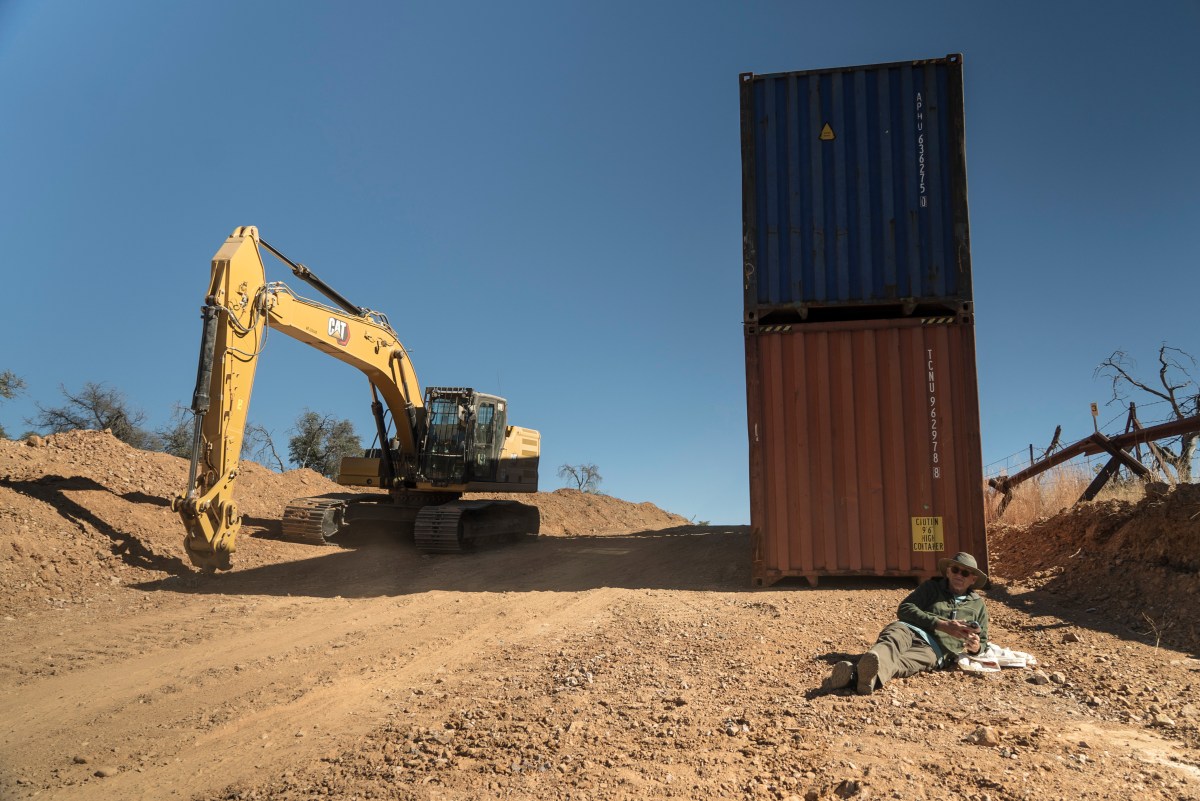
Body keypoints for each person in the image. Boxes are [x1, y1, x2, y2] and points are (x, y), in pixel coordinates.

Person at [824, 552, 989, 695]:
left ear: (973, 579)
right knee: (889, 644)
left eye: (965, 573)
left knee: (902, 664)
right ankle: (865, 675)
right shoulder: (931, 588)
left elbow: (982, 642)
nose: (959, 575)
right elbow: (904, 609)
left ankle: (854, 676)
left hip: (935, 650)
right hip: (908, 629)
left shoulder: (978, 605)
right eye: (955, 570)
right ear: (948, 571)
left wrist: (975, 647)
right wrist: (940, 624)